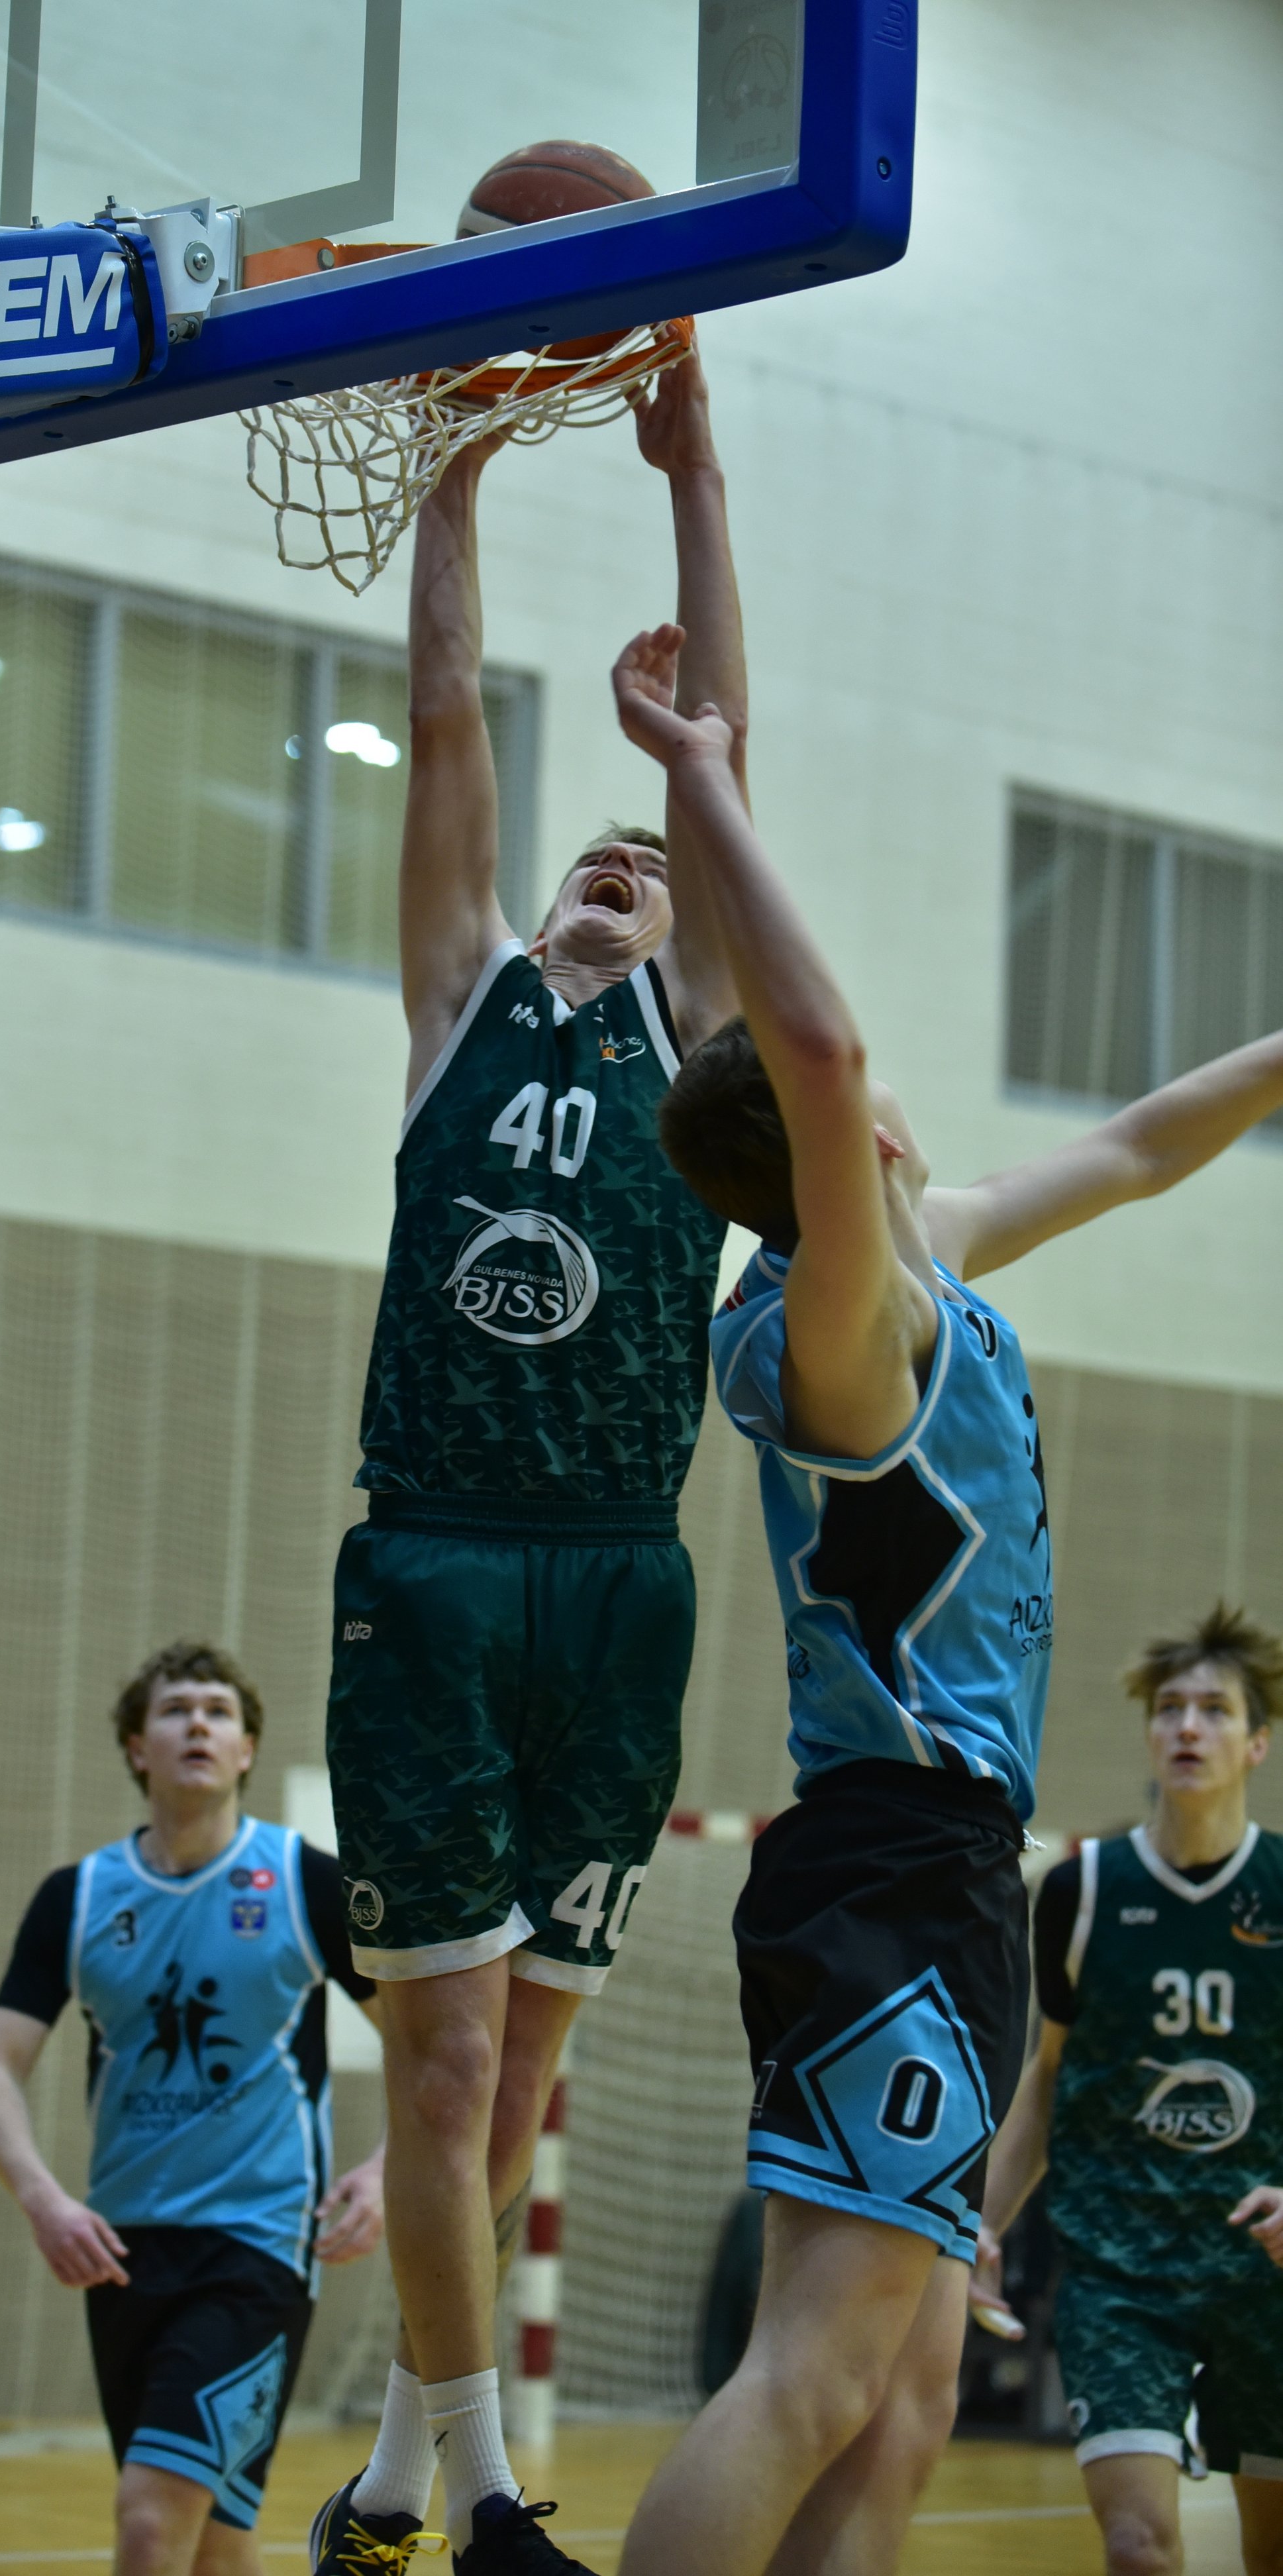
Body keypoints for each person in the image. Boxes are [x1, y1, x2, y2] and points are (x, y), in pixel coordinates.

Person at [597, 619, 1283, 2576]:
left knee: (898, 2400)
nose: (868, 1069)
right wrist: (701, 773)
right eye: (850, 1083)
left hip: (937, 1869)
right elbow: (800, 1046)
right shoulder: (844, 1328)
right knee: (810, 2377)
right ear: (848, 1140)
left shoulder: (932, 1254)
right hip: (896, 1867)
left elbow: (1138, 1146)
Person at [315, 352, 748, 2576]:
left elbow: (725, 753)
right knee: (450, 2071)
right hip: (439, 1565)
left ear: (680, 930)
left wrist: (698, 470)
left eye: (651, 868)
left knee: (526, 2084)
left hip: (621, 1580)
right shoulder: (457, 1001)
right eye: (600, 854)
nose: (620, 865)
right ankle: (487, 2496)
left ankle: (398, 2472)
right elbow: (446, 709)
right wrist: (456, 465)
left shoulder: (694, 1062)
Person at [0, 1640, 385, 2576]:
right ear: (135, 1747)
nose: (199, 1723)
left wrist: (387, 2170)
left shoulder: (306, 1882)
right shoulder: (78, 1897)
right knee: (215, 2546)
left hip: (256, 2247)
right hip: (123, 2250)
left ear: (246, 1750)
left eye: (219, 1712)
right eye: (175, 1710)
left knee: (152, 2520)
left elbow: (431, 2049)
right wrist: (42, 2199)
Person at [971, 1604, 1283, 2576]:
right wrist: (980, 2225)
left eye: (1215, 1710)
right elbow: (1049, 2077)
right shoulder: (1082, 1891)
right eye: (1171, 1708)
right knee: (1139, 2547)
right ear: (1150, 1733)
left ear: (1257, 1742)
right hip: (1119, 2274)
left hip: (1263, 2276)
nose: (1188, 1726)